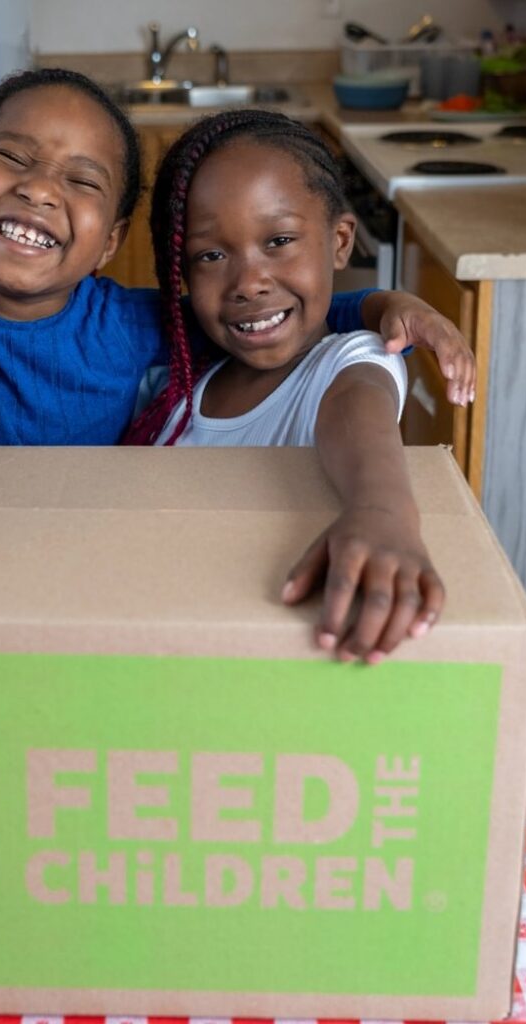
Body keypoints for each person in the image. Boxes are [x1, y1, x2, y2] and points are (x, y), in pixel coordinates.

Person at [0, 68, 471, 649]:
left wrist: (378, 307)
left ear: (111, 241)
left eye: (82, 180)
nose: (39, 188)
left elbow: (255, 317)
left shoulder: (135, 327)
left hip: (72, 606)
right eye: (13, 157)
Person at [122, 108, 440, 663]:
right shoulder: (179, 389)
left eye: (279, 240)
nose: (248, 283)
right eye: (211, 255)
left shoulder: (348, 362)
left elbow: (359, 415)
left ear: (340, 242)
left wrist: (383, 510)